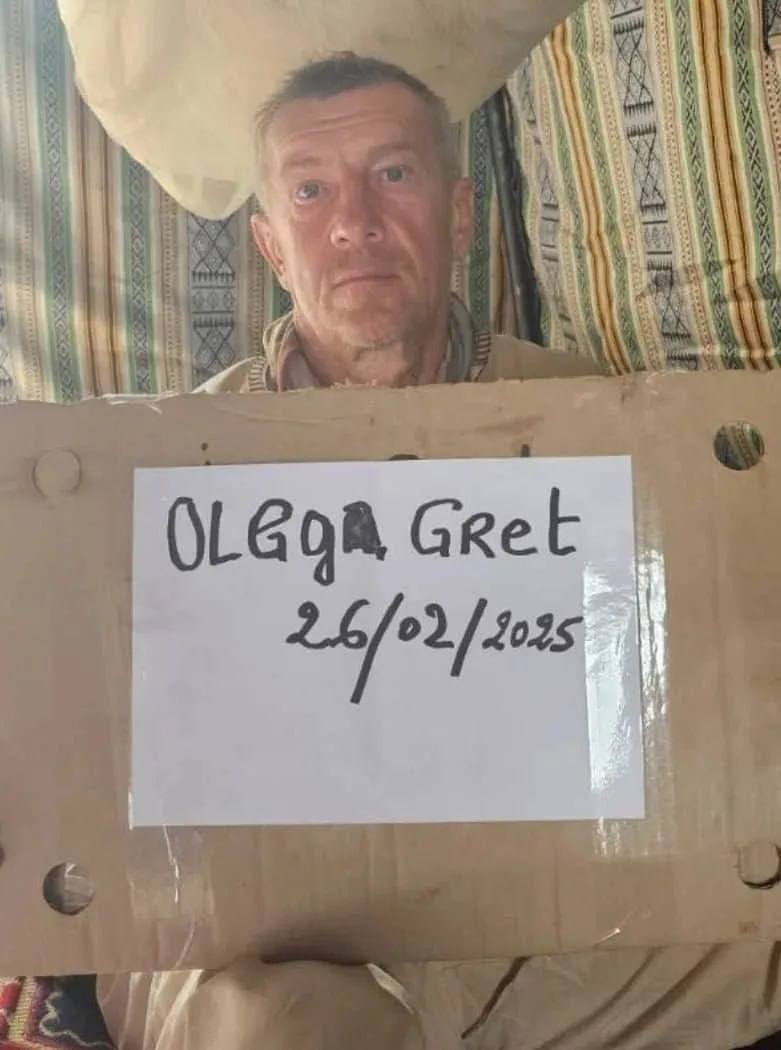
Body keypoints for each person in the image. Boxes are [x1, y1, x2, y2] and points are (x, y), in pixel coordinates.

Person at [99, 53, 781, 1050]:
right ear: (272, 246)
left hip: (546, 925)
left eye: (393, 174)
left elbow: (681, 701)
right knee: (266, 1025)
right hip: (278, 942)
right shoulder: (170, 468)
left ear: (459, 217)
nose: (355, 222)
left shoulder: (592, 421)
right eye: (310, 191)